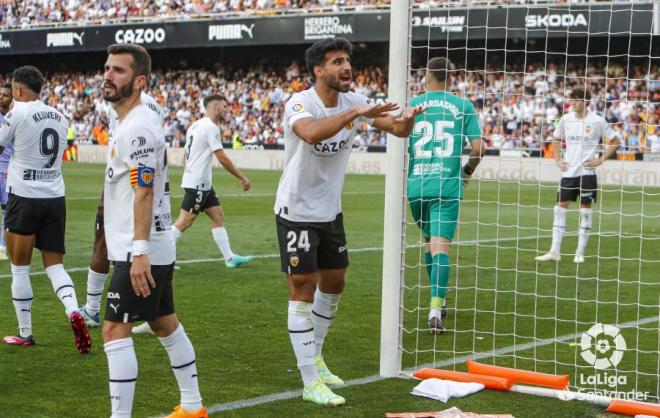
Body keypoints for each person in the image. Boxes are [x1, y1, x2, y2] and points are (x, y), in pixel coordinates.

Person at [275, 37, 424, 406]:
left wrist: (406, 122)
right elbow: (310, 132)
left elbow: (396, 129)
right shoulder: (299, 101)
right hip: (296, 212)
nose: (346, 67)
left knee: (335, 283)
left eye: (347, 60)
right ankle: (309, 381)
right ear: (318, 71)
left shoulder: (354, 101)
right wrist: (354, 114)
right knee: (303, 289)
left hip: (330, 211)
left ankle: (318, 358)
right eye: (337, 61)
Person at [101, 43, 207, 418]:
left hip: (141, 247)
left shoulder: (140, 127)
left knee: (115, 331)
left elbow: (143, 191)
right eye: (108, 68)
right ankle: (193, 407)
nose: (108, 76)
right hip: (147, 244)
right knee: (164, 324)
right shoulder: (129, 121)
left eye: (119, 71)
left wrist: (139, 251)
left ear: (140, 80)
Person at [0, 66, 91, 353]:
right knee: (55, 267)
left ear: (17, 89)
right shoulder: (60, 116)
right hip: (54, 197)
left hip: (24, 198)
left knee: (20, 268)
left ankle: (25, 332)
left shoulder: (17, 113)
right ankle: (73, 310)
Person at [407, 57, 484, 334]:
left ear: (427, 75)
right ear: (450, 78)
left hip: (416, 187)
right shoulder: (463, 106)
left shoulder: (414, 105)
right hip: (447, 187)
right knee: (440, 247)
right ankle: (435, 309)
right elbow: (478, 150)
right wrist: (466, 173)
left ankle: (437, 300)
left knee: (428, 244)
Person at [79, 91, 166, 328]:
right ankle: (153, 311)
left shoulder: (134, 107)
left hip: (128, 188)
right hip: (139, 186)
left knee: (106, 242)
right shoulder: (150, 107)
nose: (109, 76)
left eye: (117, 69)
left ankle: (93, 309)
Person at [535, 87, 620, 264]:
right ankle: (554, 251)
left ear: (586, 101)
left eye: (576, 100)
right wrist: (557, 159)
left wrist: (600, 160)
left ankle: (579, 253)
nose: (572, 103)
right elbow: (555, 139)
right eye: (571, 99)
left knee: (585, 211)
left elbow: (615, 141)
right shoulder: (566, 119)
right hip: (569, 172)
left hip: (587, 172)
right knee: (559, 209)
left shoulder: (597, 121)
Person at [173, 94, 252, 268]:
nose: (226, 110)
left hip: (202, 182)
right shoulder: (211, 127)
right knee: (184, 221)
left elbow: (187, 154)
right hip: (198, 183)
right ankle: (162, 259)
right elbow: (221, 157)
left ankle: (229, 258)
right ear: (215, 107)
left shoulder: (195, 125)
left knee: (217, 216)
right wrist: (242, 177)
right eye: (224, 106)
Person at [0, 83, 13, 260]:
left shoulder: (14, 118)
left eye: (4, 95)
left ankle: (2, 249)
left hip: (6, 171)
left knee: (6, 209)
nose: (1, 97)